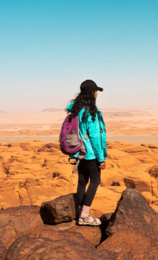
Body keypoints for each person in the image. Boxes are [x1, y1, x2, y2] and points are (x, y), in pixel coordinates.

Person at [65, 80, 107, 226]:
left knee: (82, 181)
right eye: (96, 91)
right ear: (92, 93)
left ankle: (79, 213)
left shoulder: (75, 109)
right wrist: (101, 158)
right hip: (89, 153)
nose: (97, 94)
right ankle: (84, 216)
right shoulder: (90, 111)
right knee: (95, 181)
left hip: (79, 151)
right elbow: (95, 137)